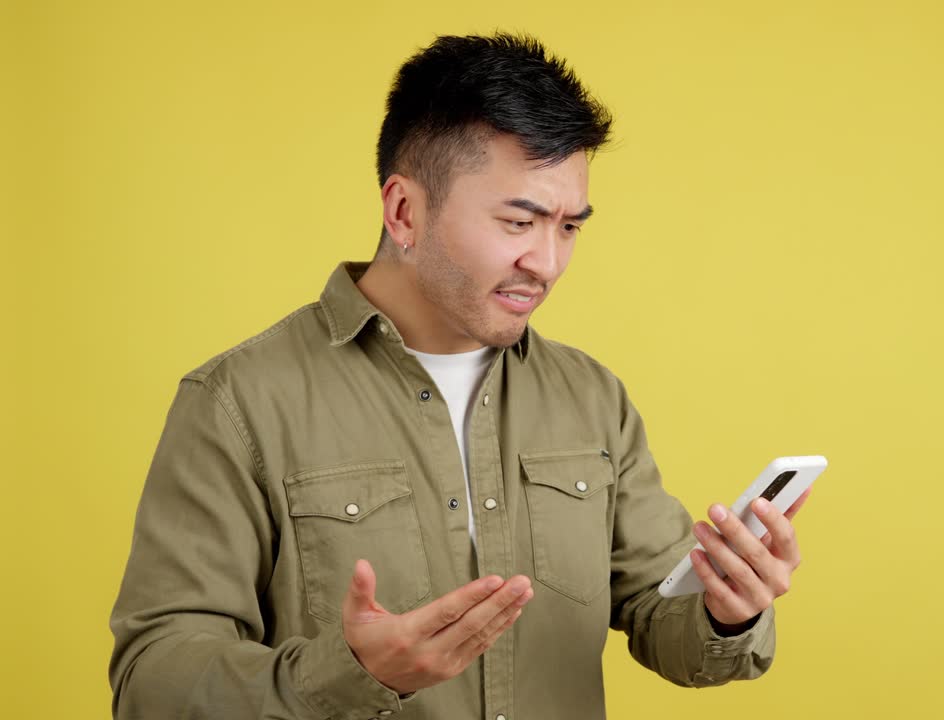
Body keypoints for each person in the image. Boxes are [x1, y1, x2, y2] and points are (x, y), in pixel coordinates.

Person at [108, 31, 810, 720]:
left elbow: (666, 622)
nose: (548, 262)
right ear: (405, 212)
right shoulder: (239, 403)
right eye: (519, 221)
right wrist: (348, 674)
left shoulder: (593, 399)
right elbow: (153, 682)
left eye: (569, 227)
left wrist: (725, 609)